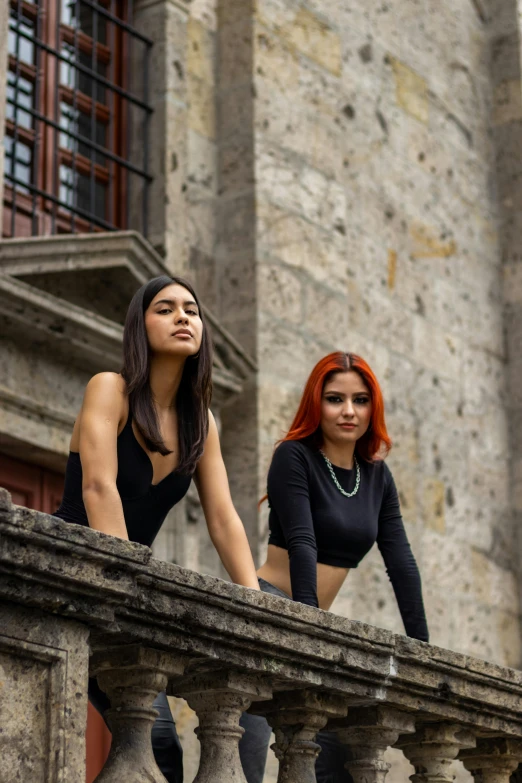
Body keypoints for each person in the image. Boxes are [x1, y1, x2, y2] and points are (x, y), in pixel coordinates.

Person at [54, 274, 260, 783]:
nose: (182, 317)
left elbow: (222, 517)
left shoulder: (202, 422)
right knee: (154, 740)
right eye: (164, 309)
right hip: (76, 579)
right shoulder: (110, 389)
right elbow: (98, 489)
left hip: (129, 595)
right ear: (139, 327)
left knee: (158, 745)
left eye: (190, 309)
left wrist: (257, 605)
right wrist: (128, 592)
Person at [239, 351, 429, 783]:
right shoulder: (294, 456)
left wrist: (423, 650)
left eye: (360, 400)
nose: (348, 411)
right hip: (270, 608)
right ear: (316, 403)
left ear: (372, 408)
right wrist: (309, 622)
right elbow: (304, 540)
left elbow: (400, 560)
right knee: (242, 757)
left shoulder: (377, 476)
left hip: (315, 617)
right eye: (335, 399)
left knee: (337, 757)